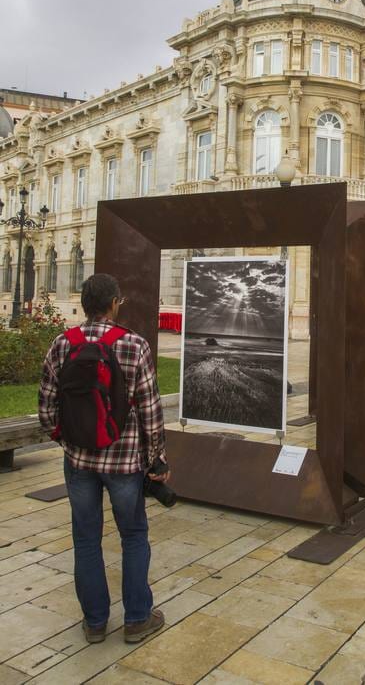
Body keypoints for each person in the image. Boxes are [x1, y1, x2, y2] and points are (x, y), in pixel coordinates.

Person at [39, 274, 169, 645]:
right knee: (133, 535)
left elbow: (46, 407)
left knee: (85, 540)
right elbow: (149, 410)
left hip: (79, 462)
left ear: (84, 304)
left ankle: (95, 622)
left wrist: (66, 440)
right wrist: (156, 459)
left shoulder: (62, 344)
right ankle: (137, 619)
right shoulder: (134, 345)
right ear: (114, 303)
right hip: (125, 464)